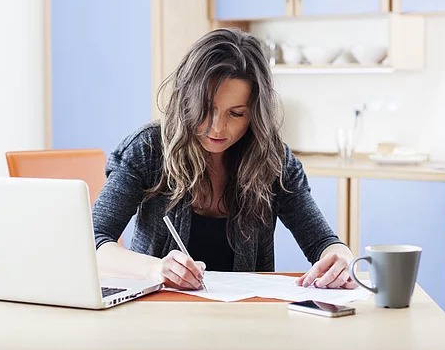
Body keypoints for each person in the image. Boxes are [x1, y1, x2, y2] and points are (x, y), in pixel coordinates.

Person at [92, 28, 356, 290]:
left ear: (255, 114)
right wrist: (156, 269)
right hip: (159, 311)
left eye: (236, 113)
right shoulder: (148, 149)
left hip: (245, 313)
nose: (218, 127)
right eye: (206, 109)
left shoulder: (273, 160)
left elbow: (322, 243)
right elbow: (93, 241)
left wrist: (340, 259)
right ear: (187, 101)